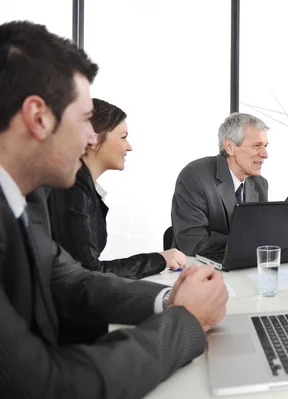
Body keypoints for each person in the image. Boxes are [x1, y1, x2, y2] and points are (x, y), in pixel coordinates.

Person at [0, 20, 228, 398]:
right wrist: (186, 321)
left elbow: (71, 279)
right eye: (86, 119)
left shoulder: (28, 199)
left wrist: (169, 300)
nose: (92, 138)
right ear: (38, 118)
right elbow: (49, 387)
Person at [47, 98, 186, 279]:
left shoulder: (83, 186)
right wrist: (159, 259)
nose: (129, 147)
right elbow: (89, 272)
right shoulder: (72, 189)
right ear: (93, 139)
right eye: (123, 137)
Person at [171, 112, 288, 256]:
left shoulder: (259, 184)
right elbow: (194, 243)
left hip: (239, 269)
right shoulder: (195, 177)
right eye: (257, 146)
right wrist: (253, 242)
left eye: (265, 146)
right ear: (230, 147)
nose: (265, 154)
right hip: (198, 271)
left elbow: (268, 232)